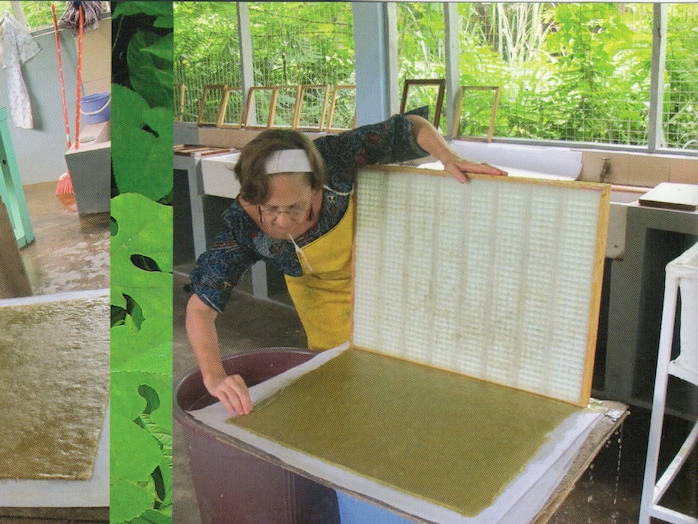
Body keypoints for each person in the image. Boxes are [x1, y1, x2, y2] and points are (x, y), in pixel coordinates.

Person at [185, 116, 508, 414]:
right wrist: (214, 376)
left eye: (296, 207)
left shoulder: (335, 159)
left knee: (405, 375)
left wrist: (448, 156)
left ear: (316, 184)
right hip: (319, 299)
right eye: (269, 209)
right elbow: (201, 309)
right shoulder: (243, 228)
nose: (282, 220)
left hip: (379, 277)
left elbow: (411, 127)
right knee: (342, 381)